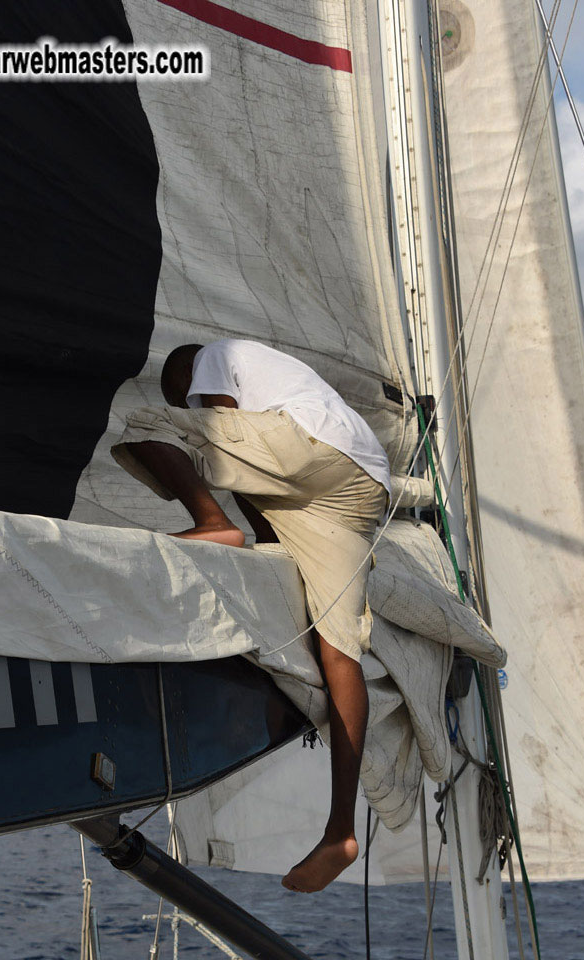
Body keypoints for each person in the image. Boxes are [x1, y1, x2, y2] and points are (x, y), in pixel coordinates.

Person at [112, 338, 391, 893]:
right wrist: (262, 540)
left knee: (147, 425)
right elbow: (251, 467)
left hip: (314, 453)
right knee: (339, 649)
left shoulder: (213, 358)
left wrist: (212, 509)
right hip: (362, 486)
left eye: (188, 397)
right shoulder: (286, 387)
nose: (192, 408)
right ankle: (340, 829)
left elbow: (221, 429)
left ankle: (210, 520)